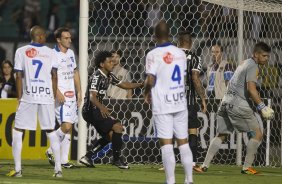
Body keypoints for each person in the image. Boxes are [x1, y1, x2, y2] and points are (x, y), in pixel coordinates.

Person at [200, 42, 274, 174]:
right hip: (238, 105)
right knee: (257, 134)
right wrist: (262, 106)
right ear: (256, 54)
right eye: (264, 56)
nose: (266, 59)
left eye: (268, 56)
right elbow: (251, 89)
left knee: (221, 134)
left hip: (225, 103)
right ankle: (246, 167)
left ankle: (204, 165)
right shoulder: (253, 66)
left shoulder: (244, 62)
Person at [6, 26, 63, 177]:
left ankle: (18, 170)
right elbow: (54, 76)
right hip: (46, 97)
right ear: (40, 36)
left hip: (29, 96)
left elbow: (19, 76)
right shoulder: (51, 53)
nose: (45, 38)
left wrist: (19, 97)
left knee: (18, 131)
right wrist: (51, 96)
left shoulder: (21, 51)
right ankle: (58, 170)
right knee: (51, 131)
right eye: (44, 36)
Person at [144, 20, 193, 184]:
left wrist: (146, 93)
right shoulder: (180, 53)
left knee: (166, 145)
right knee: (183, 143)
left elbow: (150, 79)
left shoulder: (153, 54)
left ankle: (171, 181)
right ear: (170, 35)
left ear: (154, 36)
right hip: (179, 102)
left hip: (163, 104)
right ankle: (189, 180)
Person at [79, 51, 143, 169]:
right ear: (102, 64)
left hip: (95, 109)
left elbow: (124, 85)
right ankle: (117, 160)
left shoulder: (109, 75)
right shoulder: (97, 76)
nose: (112, 63)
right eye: (109, 62)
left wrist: (140, 84)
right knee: (118, 127)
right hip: (91, 110)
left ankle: (87, 157)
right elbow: (93, 97)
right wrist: (101, 106)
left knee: (110, 136)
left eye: (113, 61)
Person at [45, 27, 81, 169]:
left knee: (69, 127)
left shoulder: (71, 53)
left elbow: (75, 72)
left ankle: (64, 160)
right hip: (61, 96)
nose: (69, 40)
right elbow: (50, 76)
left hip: (72, 95)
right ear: (58, 39)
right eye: (66, 38)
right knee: (66, 126)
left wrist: (79, 91)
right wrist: (57, 92)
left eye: (70, 37)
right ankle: (50, 149)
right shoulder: (53, 54)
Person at [178, 31, 207, 172]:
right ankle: (192, 163)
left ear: (178, 42)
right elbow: (195, 78)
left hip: (172, 99)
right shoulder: (195, 57)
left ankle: (166, 163)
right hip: (188, 100)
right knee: (192, 131)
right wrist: (202, 98)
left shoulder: (171, 56)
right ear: (191, 43)